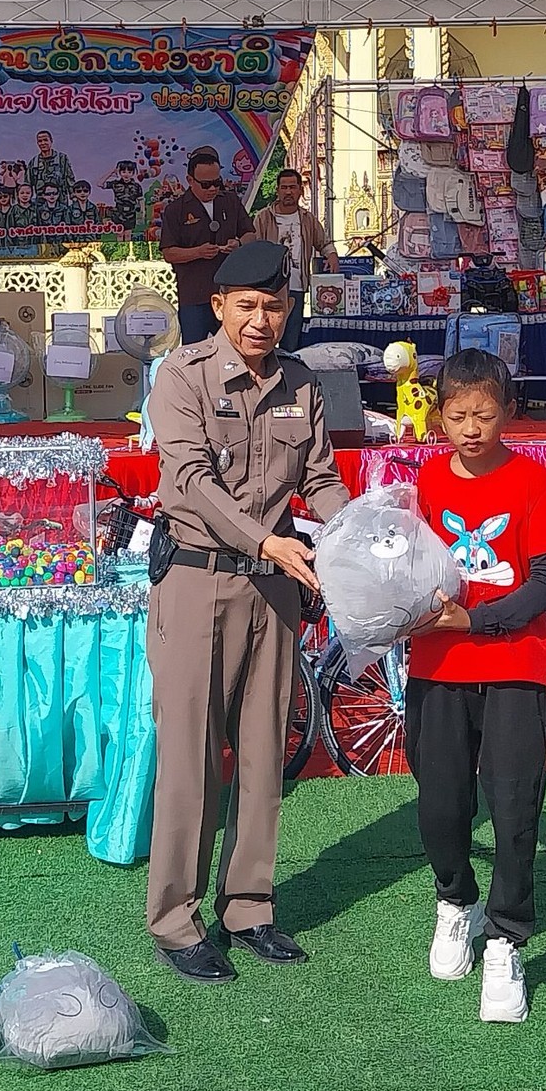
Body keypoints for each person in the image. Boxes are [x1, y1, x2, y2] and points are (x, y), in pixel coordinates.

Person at [144, 240, 350, 984]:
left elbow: (320, 479)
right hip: (199, 580)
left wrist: (363, 535)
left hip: (276, 589)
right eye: (247, 307)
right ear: (220, 306)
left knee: (264, 756)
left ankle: (249, 907)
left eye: (274, 306)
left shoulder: (301, 381)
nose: (261, 320)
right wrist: (266, 540)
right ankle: (176, 919)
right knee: (192, 760)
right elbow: (191, 479)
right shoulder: (182, 374)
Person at [405, 349, 546, 1023]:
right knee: (441, 805)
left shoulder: (530, 479)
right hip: (437, 668)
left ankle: (506, 938)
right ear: (438, 417)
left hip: (513, 668)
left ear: (508, 413)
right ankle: (455, 900)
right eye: (458, 415)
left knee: (513, 808)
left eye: (485, 414)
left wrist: (477, 619)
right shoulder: (425, 479)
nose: (471, 428)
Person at [159, 145, 252, 346]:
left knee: (234, 347)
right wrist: (198, 252)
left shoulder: (230, 201)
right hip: (194, 295)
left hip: (229, 292)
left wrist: (238, 243)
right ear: (190, 180)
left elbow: (251, 234)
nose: (212, 189)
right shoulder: (175, 210)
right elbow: (169, 253)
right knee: (194, 351)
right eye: (206, 185)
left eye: (217, 183)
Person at [252, 168, 339, 350]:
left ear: (300, 190)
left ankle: (289, 367)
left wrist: (332, 255)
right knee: (266, 335)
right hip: (270, 288)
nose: (288, 192)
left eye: (292, 187)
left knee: (291, 339)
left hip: (296, 288)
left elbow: (323, 243)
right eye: (284, 187)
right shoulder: (263, 218)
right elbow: (253, 248)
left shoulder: (307, 219)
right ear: (277, 190)